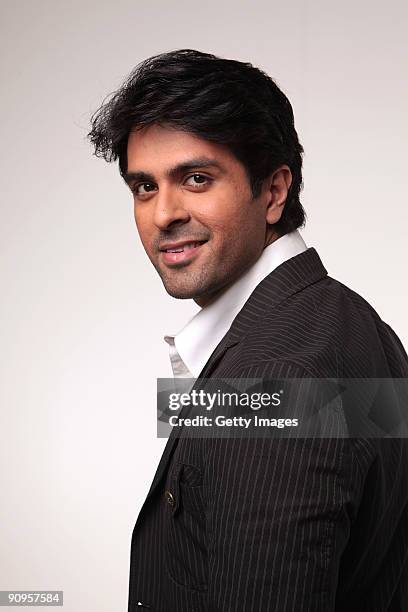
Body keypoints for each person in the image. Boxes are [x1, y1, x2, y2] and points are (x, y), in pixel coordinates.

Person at [88, 49, 408, 611]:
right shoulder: (353, 322)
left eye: (196, 178)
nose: (163, 213)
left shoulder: (270, 380)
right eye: (144, 187)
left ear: (275, 192)